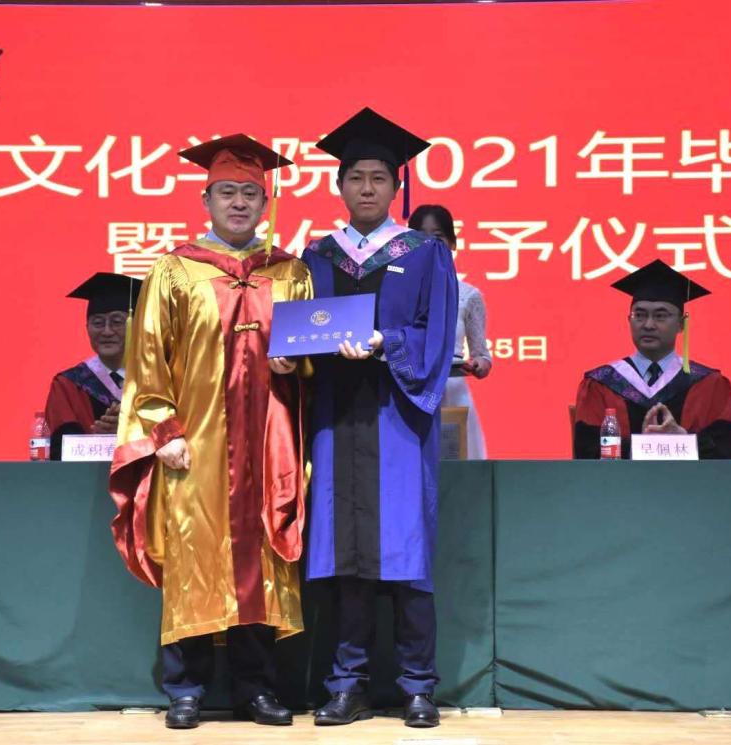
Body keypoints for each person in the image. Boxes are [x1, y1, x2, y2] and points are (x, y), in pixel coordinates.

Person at [108, 134, 312, 729]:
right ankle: (186, 688)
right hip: (195, 444)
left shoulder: (291, 273)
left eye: (250, 193)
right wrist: (162, 428)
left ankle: (257, 688)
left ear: (266, 202)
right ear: (206, 200)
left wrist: (297, 365)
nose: (239, 203)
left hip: (268, 442)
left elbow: (312, 355)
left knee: (261, 557)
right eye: (227, 192)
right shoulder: (174, 271)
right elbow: (149, 357)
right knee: (193, 555)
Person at [299, 108, 458, 728]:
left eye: (378, 179)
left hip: (399, 417)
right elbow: (301, 330)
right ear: (339, 185)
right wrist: (294, 357)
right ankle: (348, 683)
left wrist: (385, 342)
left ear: (396, 187)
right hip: (336, 418)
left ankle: (418, 685)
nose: (366, 188)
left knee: (406, 551)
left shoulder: (424, 253)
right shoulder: (317, 255)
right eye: (356, 178)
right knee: (347, 555)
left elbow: (437, 336)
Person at [573, 260, 731, 459]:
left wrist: (683, 440)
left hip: (690, 480)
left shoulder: (710, 384)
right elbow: (587, 453)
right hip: (620, 480)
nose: (648, 325)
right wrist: (644, 447)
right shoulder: (601, 384)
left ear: (681, 324)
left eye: (660, 316)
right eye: (639, 315)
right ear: (629, 320)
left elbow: (728, 454)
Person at [409, 204, 492, 459]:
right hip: (410, 392)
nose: (430, 245)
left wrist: (478, 365)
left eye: (438, 237)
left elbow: (483, 356)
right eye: (421, 237)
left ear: (453, 243)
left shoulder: (468, 295)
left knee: (457, 470)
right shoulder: (400, 292)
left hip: (453, 394)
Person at [44, 272, 141, 460]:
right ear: (87, 327)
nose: (106, 331)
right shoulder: (69, 385)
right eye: (98, 323)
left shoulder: (159, 381)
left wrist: (129, 430)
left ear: (136, 326)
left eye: (117, 322)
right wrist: (98, 441)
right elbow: (61, 451)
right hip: (88, 476)